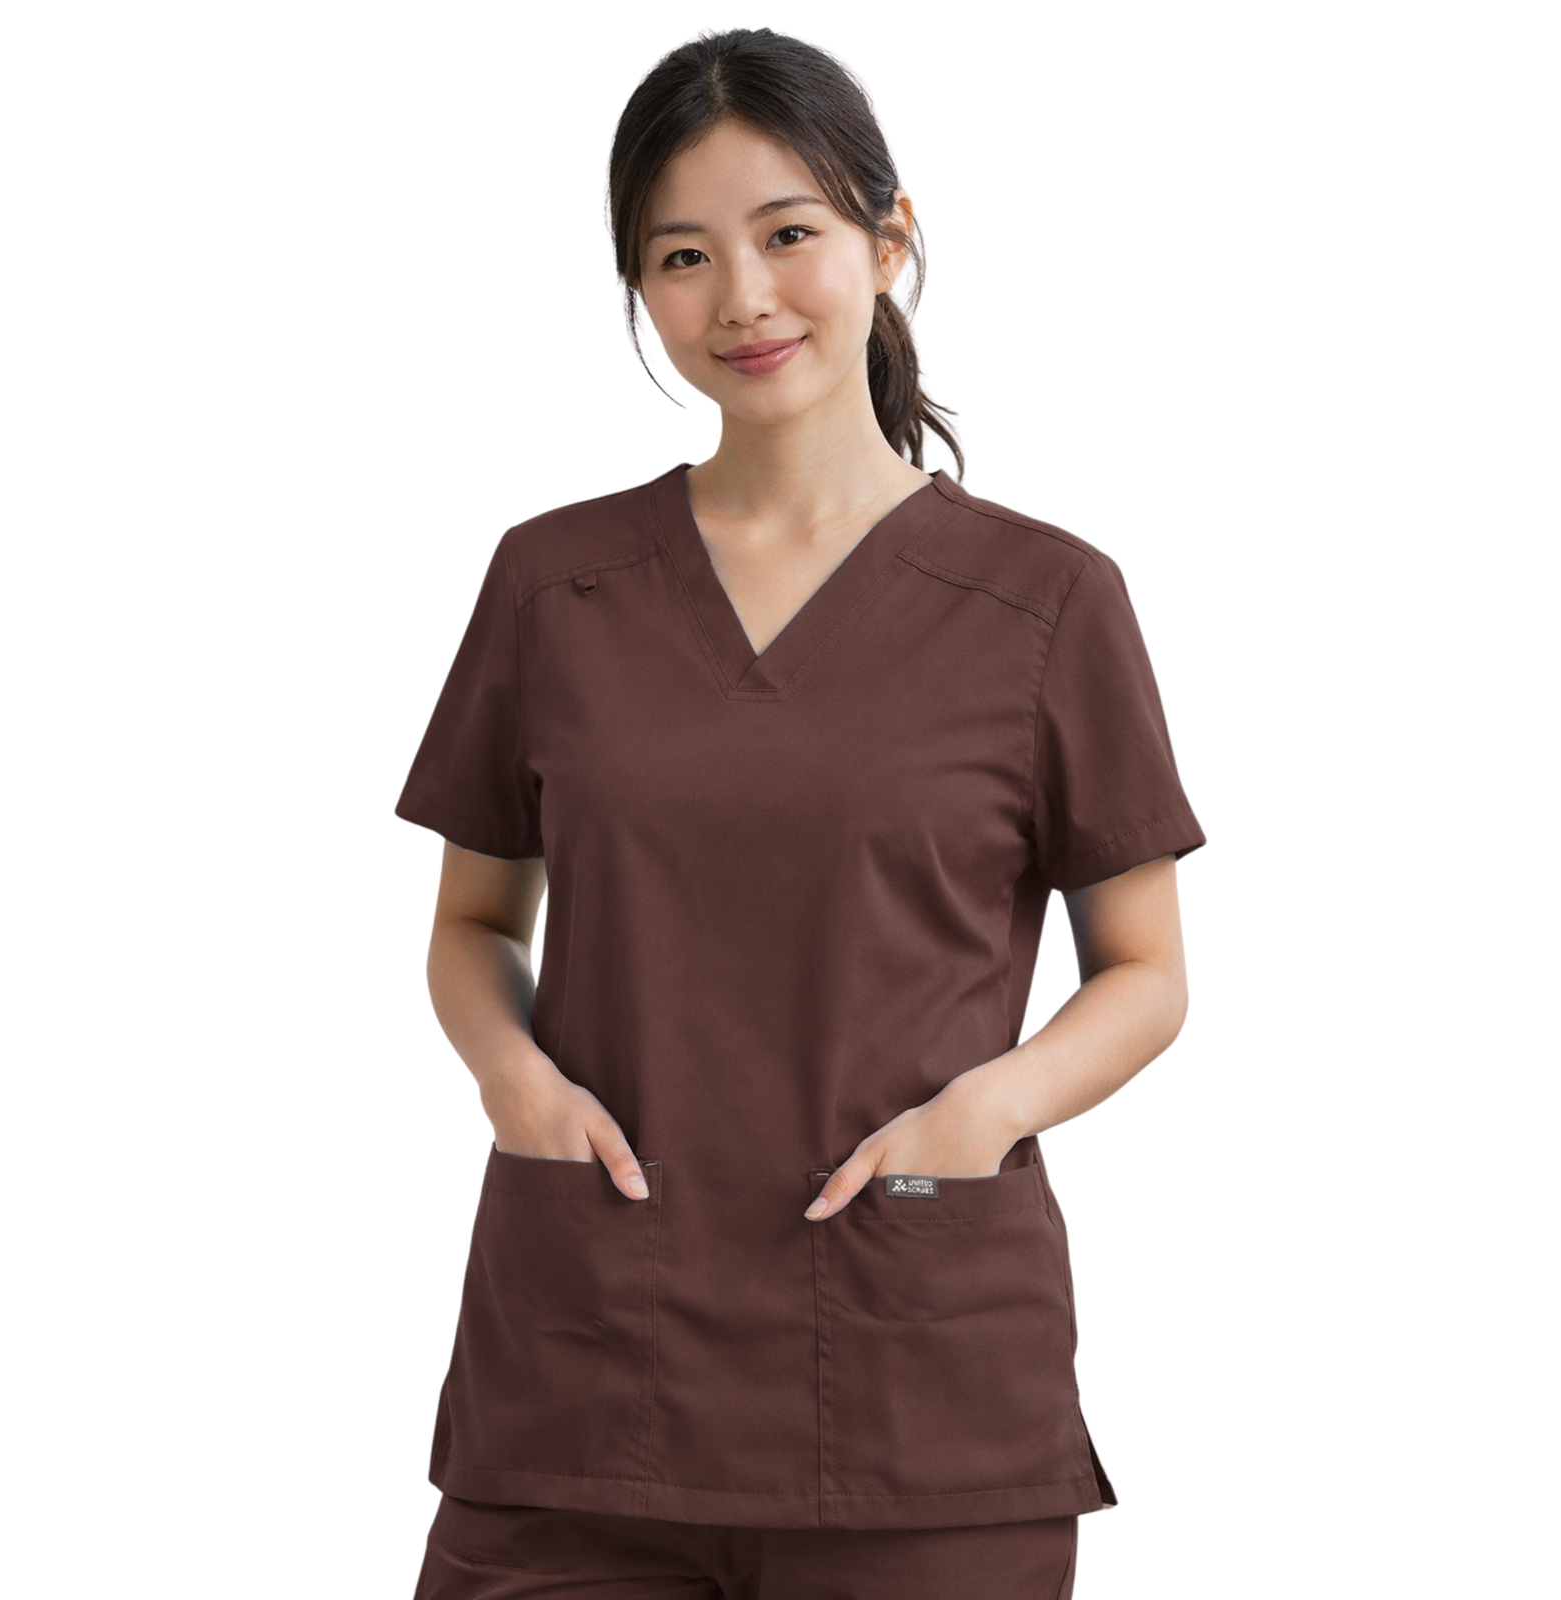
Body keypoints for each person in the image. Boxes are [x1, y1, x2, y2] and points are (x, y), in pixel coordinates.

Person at [395, 26, 1205, 1600]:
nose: (743, 299)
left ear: (889, 239)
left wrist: (979, 1119)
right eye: (683, 256)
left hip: (919, 1389)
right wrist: (512, 1080)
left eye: (788, 234)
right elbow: (476, 923)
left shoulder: (1047, 601)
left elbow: (1147, 974)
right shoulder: (554, 584)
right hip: (583, 1370)